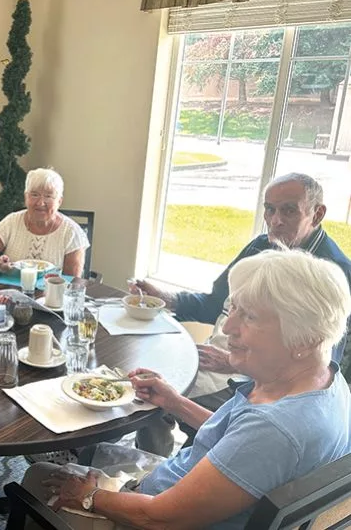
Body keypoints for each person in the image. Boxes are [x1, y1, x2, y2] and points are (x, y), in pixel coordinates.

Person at [22, 249, 351, 529]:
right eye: (233, 309)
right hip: (177, 486)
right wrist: (175, 402)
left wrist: (90, 496)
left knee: (38, 478)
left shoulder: (274, 431)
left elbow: (159, 518)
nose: (228, 327)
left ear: (304, 340)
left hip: (154, 515)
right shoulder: (324, 383)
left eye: (249, 317)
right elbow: (238, 439)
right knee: (95, 453)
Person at [131, 172, 351, 456]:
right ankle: (153, 461)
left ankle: (183, 462)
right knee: (146, 383)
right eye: (269, 209)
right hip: (220, 357)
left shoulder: (332, 275)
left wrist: (235, 363)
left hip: (253, 378)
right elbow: (213, 304)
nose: (275, 220)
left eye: (288, 210)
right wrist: (165, 298)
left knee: (159, 406)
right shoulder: (260, 246)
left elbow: (320, 363)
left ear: (317, 214)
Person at [0, 168, 88, 277]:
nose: (40, 203)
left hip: (51, 293)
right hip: (9, 291)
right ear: (26, 197)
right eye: (34, 195)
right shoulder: (11, 222)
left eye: (48, 196)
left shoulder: (72, 233)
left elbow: (72, 282)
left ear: (59, 201)